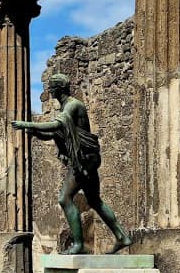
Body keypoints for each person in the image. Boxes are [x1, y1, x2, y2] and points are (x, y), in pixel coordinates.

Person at [11, 73, 132, 255]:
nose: (49, 90)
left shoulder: (73, 106)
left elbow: (55, 127)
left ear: (58, 88)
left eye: (51, 87)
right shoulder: (66, 108)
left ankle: (78, 244)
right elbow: (53, 134)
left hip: (84, 159)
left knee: (64, 198)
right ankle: (122, 237)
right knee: (94, 201)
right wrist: (34, 133)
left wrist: (27, 124)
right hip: (88, 158)